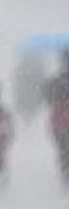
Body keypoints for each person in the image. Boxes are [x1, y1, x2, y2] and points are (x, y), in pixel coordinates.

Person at [45, 50, 69, 190]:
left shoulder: (56, 80)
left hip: (60, 122)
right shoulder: (56, 80)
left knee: (63, 150)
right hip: (60, 122)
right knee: (63, 149)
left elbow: (48, 97)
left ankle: (65, 172)